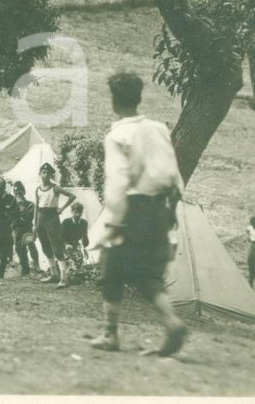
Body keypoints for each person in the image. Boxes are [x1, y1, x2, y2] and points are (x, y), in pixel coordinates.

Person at [89, 72, 188, 356]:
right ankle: (171, 320)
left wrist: (113, 222)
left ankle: (110, 334)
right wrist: (170, 209)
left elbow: (118, 182)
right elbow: (173, 173)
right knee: (147, 272)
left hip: (131, 208)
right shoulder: (158, 129)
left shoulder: (117, 136)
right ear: (139, 97)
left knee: (111, 267)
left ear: (113, 101)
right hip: (159, 208)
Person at [33, 162, 77, 287]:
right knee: (45, 246)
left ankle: (64, 278)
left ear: (51, 175)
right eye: (43, 172)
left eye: (48, 173)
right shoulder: (38, 189)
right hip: (40, 219)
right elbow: (36, 206)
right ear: (40, 174)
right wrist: (35, 224)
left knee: (56, 247)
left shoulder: (55, 188)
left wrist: (61, 208)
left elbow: (72, 196)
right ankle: (53, 274)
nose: (45, 175)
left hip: (52, 218)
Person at [11, 182, 39, 276]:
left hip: (27, 228)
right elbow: (10, 216)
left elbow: (29, 217)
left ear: (24, 192)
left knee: (31, 244)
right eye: (16, 193)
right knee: (19, 248)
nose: (18, 195)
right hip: (16, 229)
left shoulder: (30, 204)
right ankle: (25, 268)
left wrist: (20, 208)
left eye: (20, 192)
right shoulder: (12, 204)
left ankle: (36, 264)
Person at [61, 202, 91, 268]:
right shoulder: (66, 222)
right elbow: (60, 237)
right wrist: (66, 244)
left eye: (80, 213)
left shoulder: (84, 223)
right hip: (65, 245)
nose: (78, 215)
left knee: (80, 262)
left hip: (76, 245)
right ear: (72, 212)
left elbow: (85, 237)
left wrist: (85, 248)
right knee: (69, 263)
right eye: (76, 212)